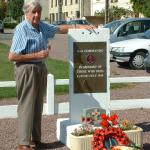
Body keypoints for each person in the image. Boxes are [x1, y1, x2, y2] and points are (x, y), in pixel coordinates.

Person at [8, 1, 67, 150]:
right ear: (26, 13)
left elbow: (59, 29)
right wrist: (37, 54)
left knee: (37, 106)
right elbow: (12, 56)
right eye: (34, 12)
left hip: (40, 68)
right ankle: (23, 143)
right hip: (26, 69)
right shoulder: (22, 29)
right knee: (26, 106)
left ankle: (36, 139)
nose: (37, 15)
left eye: (39, 12)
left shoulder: (42, 27)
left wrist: (80, 27)